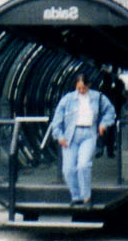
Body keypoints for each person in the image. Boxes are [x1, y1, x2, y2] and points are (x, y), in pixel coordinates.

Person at [48, 71, 117, 208]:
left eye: (83, 88)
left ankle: (86, 197)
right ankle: (76, 196)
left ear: (89, 86)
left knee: (83, 165)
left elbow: (110, 111)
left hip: (88, 134)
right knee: (68, 169)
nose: (81, 90)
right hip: (70, 136)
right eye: (78, 88)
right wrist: (59, 135)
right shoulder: (67, 99)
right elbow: (57, 119)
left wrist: (103, 124)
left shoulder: (98, 97)